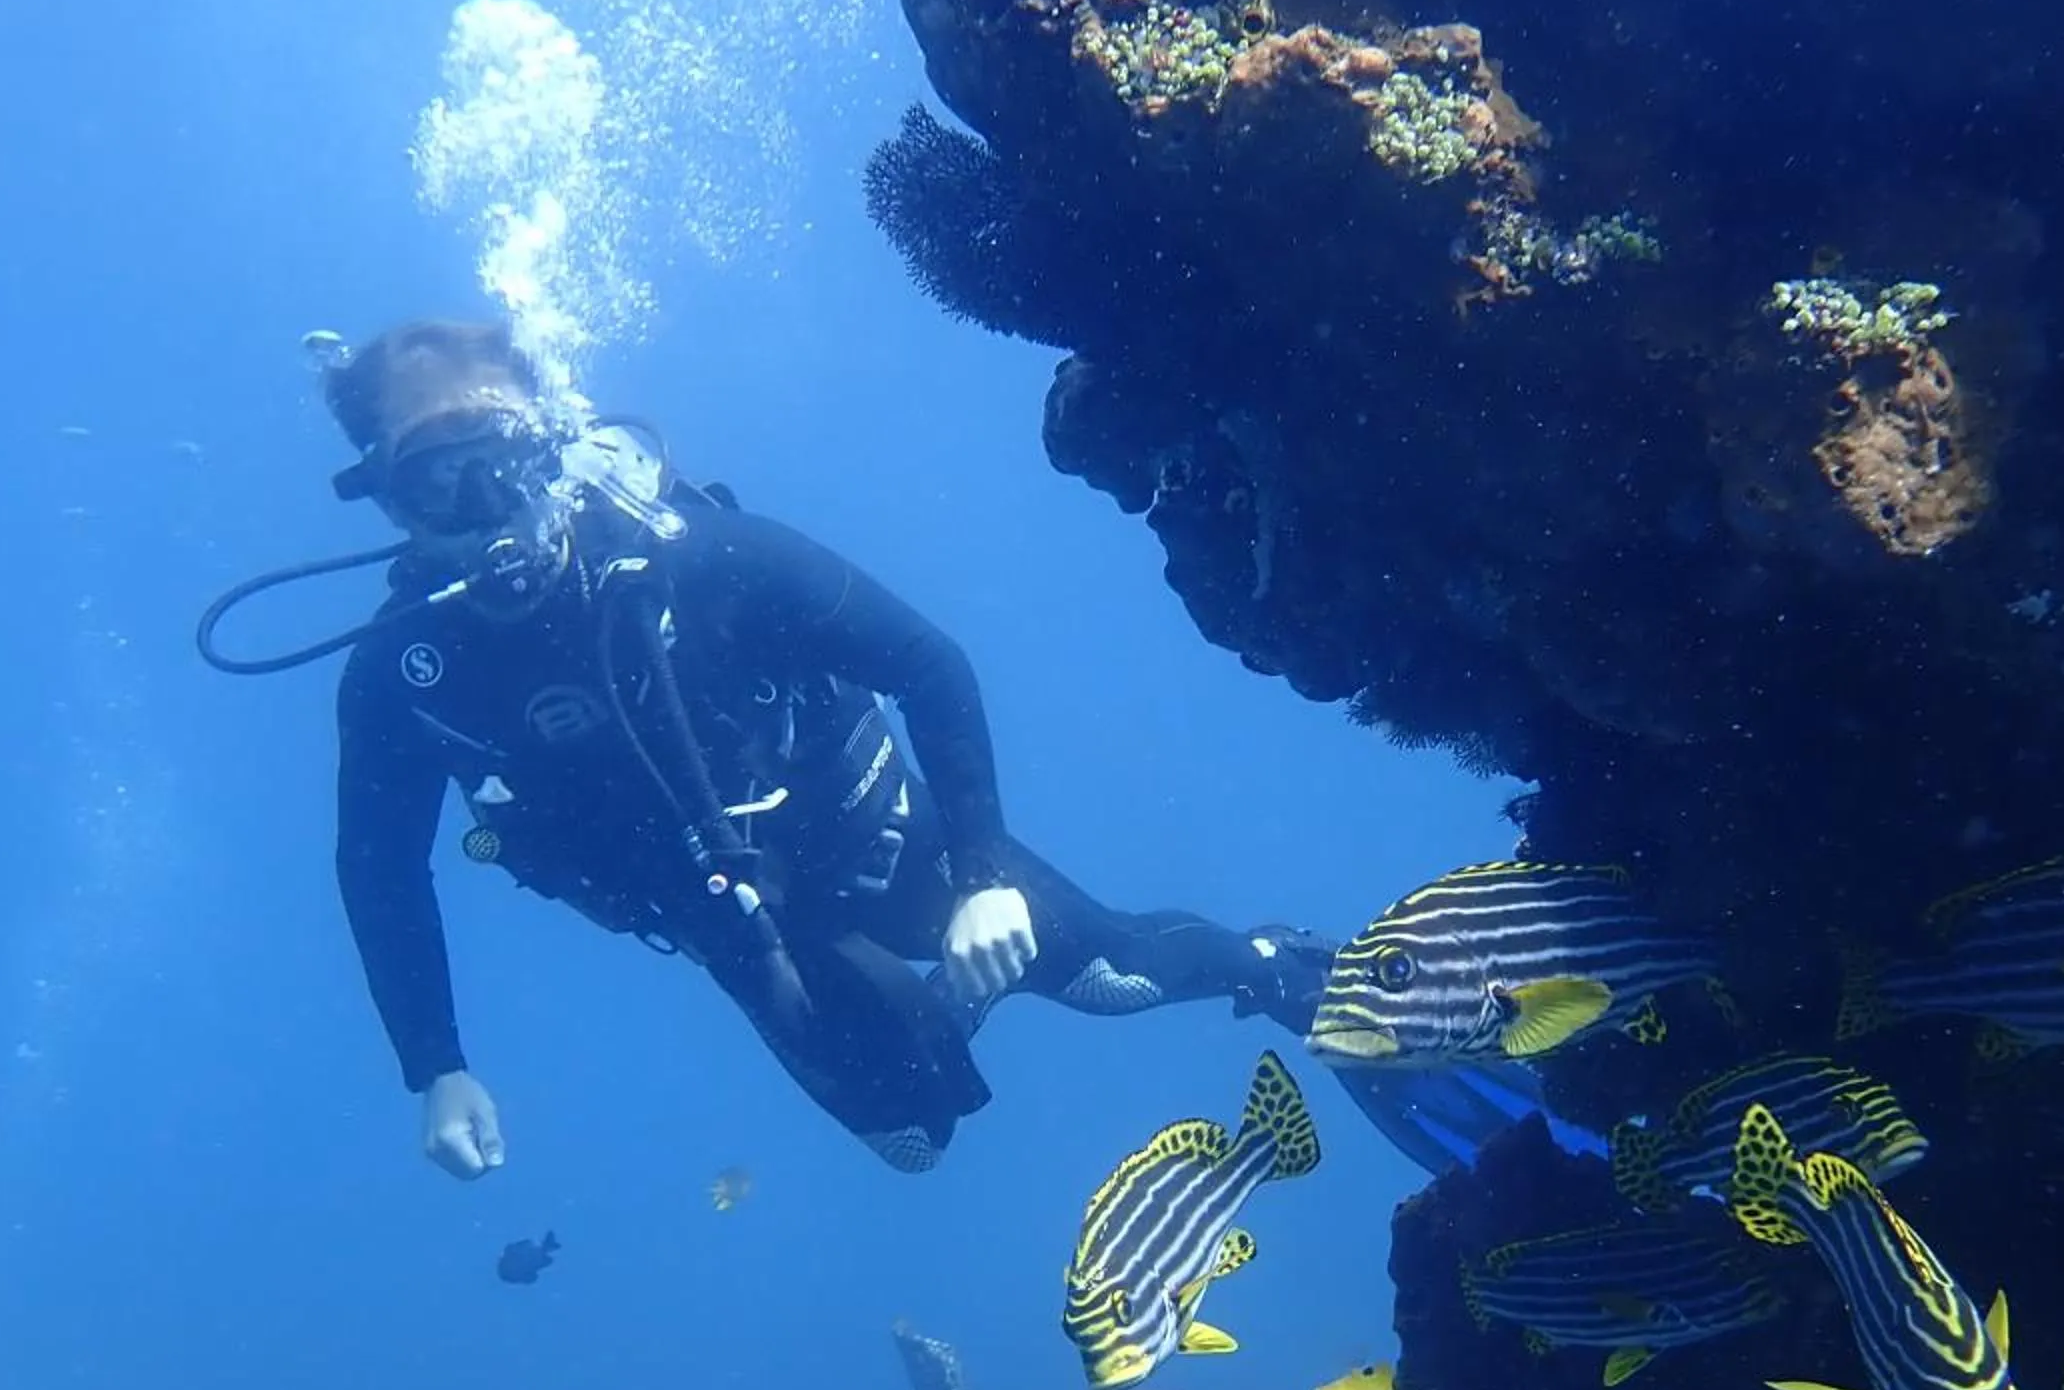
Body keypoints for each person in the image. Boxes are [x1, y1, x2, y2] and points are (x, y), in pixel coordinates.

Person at [308, 320, 1333, 1176]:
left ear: (551, 444)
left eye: (505, 459)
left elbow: (928, 664)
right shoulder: (405, 675)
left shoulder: (701, 559)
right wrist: (435, 1065)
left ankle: (1280, 967)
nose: (488, 505)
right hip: (739, 931)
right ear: (389, 501)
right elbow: (380, 870)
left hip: (884, 840)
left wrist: (984, 877)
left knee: (1119, 977)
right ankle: (923, 1016)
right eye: (441, 481)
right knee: (913, 1144)